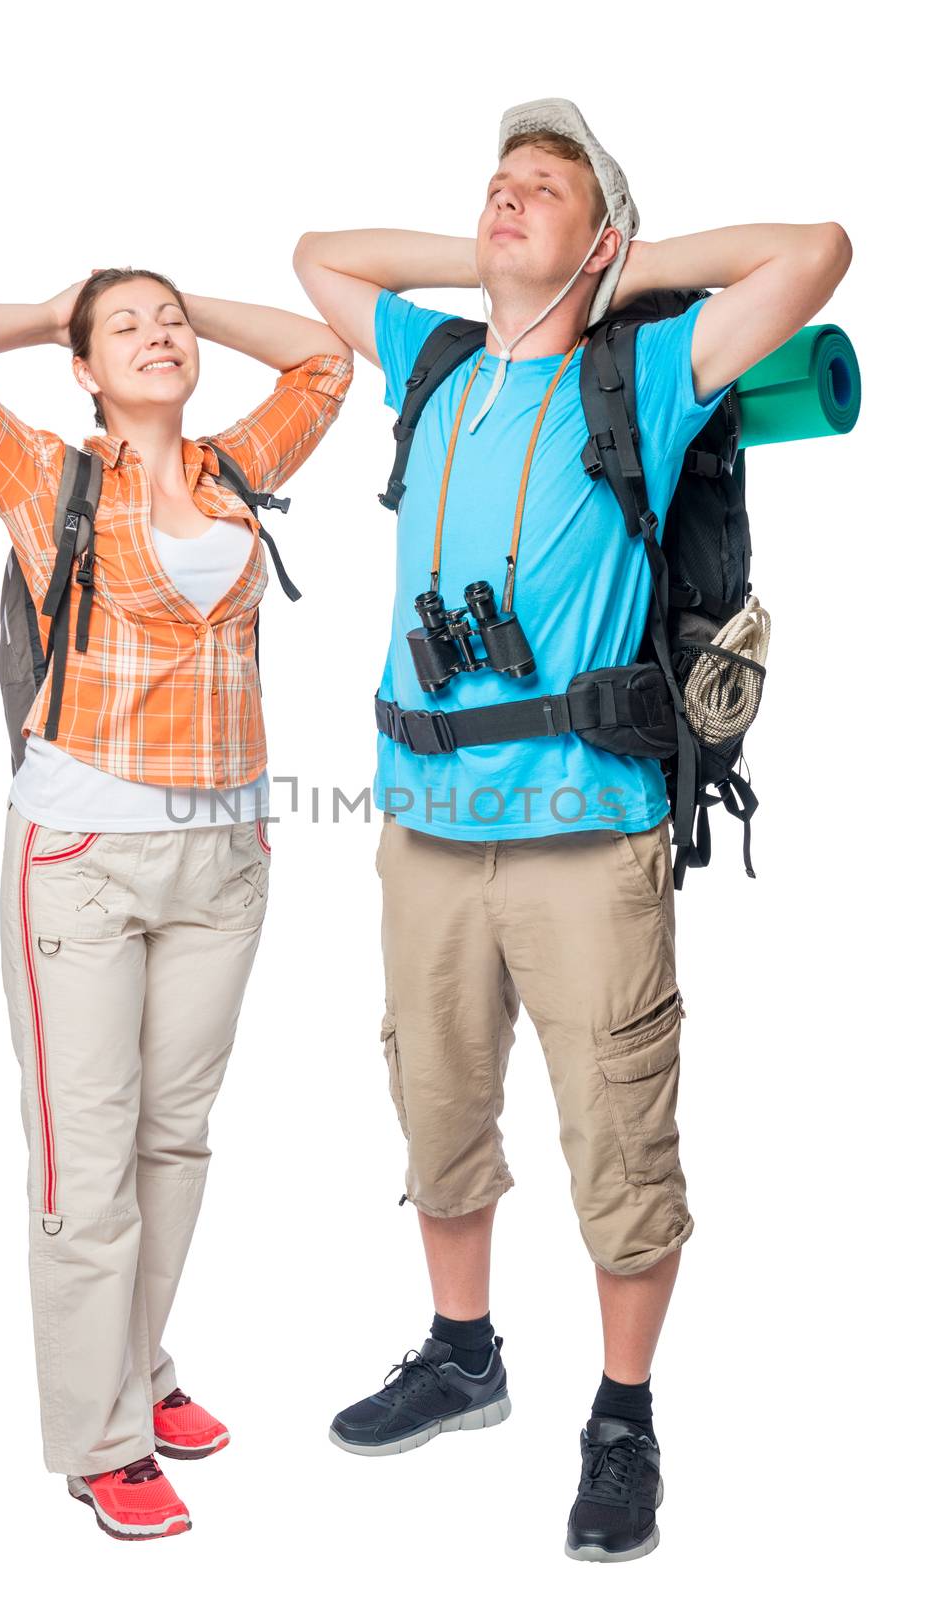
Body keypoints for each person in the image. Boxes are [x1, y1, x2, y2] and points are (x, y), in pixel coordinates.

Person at [294, 97, 850, 1561]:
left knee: (618, 1134)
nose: (506, 194)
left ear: (599, 235)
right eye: (497, 181)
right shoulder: (438, 362)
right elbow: (319, 259)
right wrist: (495, 268)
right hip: (420, 825)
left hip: (587, 833)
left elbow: (816, 250)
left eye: (543, 187)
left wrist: (627, 267)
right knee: (436, 1107)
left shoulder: (648, 370)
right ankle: (463, 1353)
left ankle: (620, 1419)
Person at [0, 269, 352, 1540]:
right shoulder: (44, 474)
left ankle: (138, 1369)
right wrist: (56, 312)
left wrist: (187, 291)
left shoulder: (236, 466)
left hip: (224, 857)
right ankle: (100, 1441)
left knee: (174, 1140)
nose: (159, 338)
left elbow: (324, 362)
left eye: (172, 325)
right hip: (80, 856)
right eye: (127, 330)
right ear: (85, 368)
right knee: (88, 1164)